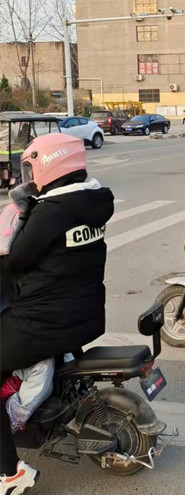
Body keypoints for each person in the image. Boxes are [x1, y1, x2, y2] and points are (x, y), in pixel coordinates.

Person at [0, 133, 114, 494]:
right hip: (84, 313)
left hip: (43, 322)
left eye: (32, 166)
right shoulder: (92, 201)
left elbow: (16, 260)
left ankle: (9, 473)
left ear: (50, 164)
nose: (28, 174)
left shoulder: (51, 211)